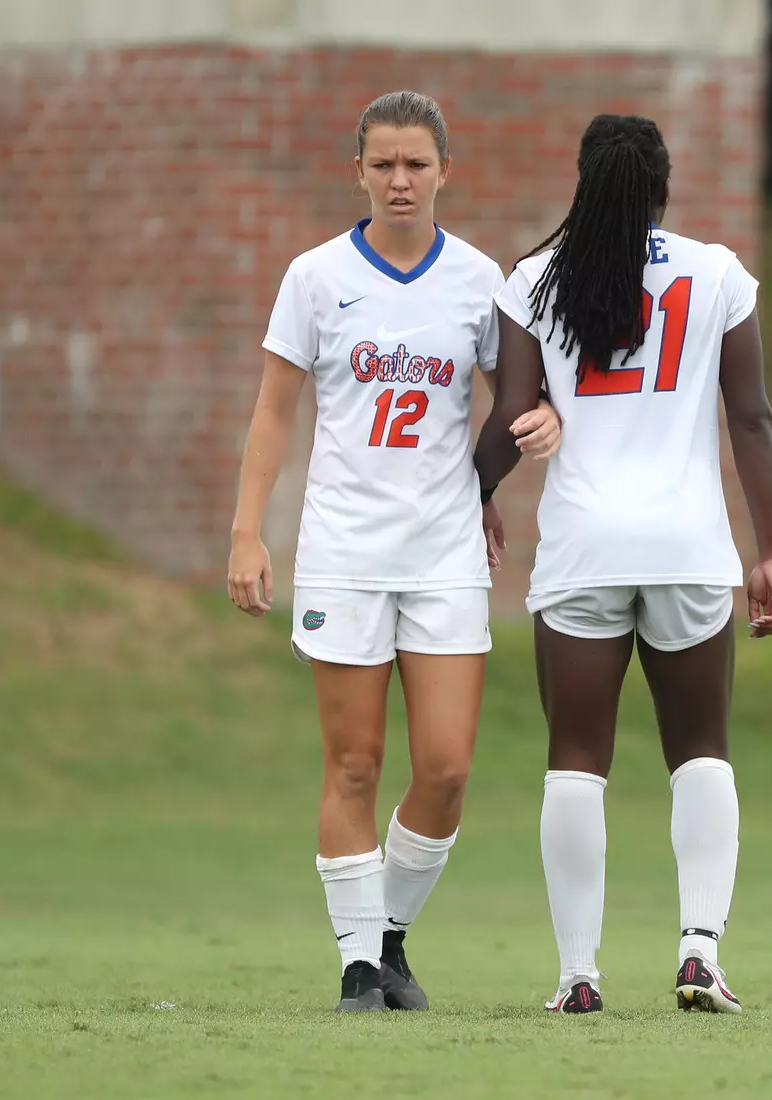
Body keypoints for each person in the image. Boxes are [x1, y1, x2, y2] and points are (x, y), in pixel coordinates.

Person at [227, 90, 561, 1014]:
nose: (400, 180)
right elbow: (273, 410)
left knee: (447, 768)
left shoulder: (479, 281)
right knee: (354, 766)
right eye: (383, 164)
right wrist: (247, 530)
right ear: (359, 172)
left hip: (446, 550)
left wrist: (538, 431)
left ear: (444, 170)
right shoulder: (315, 277)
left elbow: (518, 397)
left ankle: (390, 936)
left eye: (416, 164)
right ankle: (357, 970)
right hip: (341, 550)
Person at [472, 114, 772, 1015]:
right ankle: (699, 954)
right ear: (664, 184)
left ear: (582, 181)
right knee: (701, 752)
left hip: (582, 551)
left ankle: (577, 977)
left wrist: (475, 496)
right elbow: (752, 419)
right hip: (688, 548)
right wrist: (770, 549)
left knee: (575, 760)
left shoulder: (531, 280)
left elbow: (511, 421)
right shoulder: (716, 272)